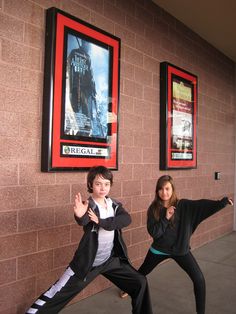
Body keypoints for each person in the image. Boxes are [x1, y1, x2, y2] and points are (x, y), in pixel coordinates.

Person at [26, 166, 153, 314]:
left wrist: (101, 222)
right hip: (87, 264)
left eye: (106, 184)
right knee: (56, 293)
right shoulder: (89, 205)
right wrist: (80, 215)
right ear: (90, 185)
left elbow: (126, 219)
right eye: (98, 184)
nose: (102, 188)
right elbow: (84, 220)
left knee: (140, 282)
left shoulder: (114, 204)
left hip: (109, 260)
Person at [120, 175, 233, 314]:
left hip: (180, 250)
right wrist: (166, 218)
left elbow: (202, 205)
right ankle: (128, 287)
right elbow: (154, 233)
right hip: (159, 250)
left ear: (173, 189)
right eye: (160, 189)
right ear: (157, 191)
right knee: (143, 271)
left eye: (167, 188)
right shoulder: (153, 209)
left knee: (199, 279)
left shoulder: (183, 205)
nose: (164, 192)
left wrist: (222, 203)